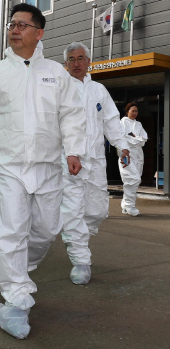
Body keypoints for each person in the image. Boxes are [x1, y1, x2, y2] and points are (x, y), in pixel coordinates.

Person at [0, 3, 86, 339]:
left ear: (39, 33)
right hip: (10, 166)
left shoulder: (55, 72)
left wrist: (73, 150)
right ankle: (16, 301)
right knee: (8, 232)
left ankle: (20, 271)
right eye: (12, 24)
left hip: (49, 166)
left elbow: (71, 115)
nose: (14, 29)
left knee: (47, 229)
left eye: (22, 24)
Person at [61, 42, 130, 286]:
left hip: (96, 161)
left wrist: (122, 146)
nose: (76, 63)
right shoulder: (59, 88)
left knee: (97, 210)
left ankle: (76, 238)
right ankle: (81, 260)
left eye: (81, 58)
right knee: (72, 210)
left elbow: (111, 121)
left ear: (88, 61)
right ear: (65, 64)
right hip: (68, 160)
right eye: (72, 59)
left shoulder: (99, 90)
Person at [118, 102, 148, 217]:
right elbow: (122, 137)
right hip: (126, 155)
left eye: (136, 111)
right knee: (132, 179)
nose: (135, 113)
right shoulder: (123, 122)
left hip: (139, 155)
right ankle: (130, 206)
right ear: (127, 111)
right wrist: (136, 139)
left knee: (135, 180)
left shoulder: (139, 124)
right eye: (133, 111)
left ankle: (126, 205)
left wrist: (135, 139)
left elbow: (144, 139)